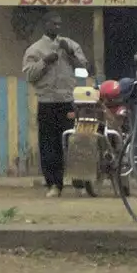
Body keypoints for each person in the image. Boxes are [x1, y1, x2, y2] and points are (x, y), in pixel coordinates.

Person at [22, 13, 89, 197]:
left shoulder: (70, 45)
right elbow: (29, 75)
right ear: (45, 25)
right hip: (47, 103)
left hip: (67, 102)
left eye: (60, 24)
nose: (57, 27)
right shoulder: (35, 50)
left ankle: (79, 183)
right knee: (49, 144)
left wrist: (69, 53)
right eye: (54, 24)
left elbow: (83, 70)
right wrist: (45, 62)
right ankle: (54, 184)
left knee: (74, 143)